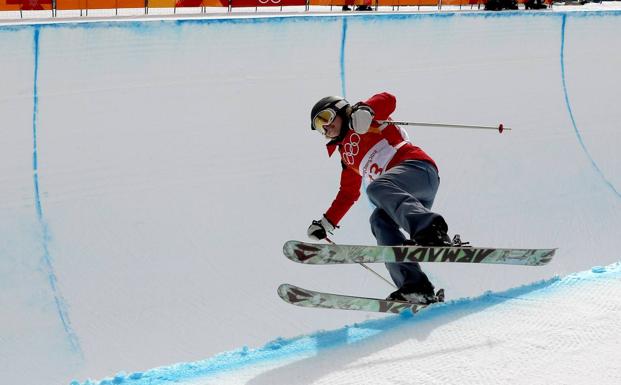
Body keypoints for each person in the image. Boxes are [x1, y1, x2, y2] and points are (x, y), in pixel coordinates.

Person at [306, 92, 451, 305]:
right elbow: (347, 193)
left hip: (419, 171)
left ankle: (431, 230)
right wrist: (326, 223)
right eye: (319, 127)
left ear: (341, 110)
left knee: (376, 188)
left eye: (325, 118)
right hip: (405, 199)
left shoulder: (364, 120)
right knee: (379, 221)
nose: (325, 127)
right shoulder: (346, 157)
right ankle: (415, 286)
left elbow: (388, 99)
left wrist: (365, 109)